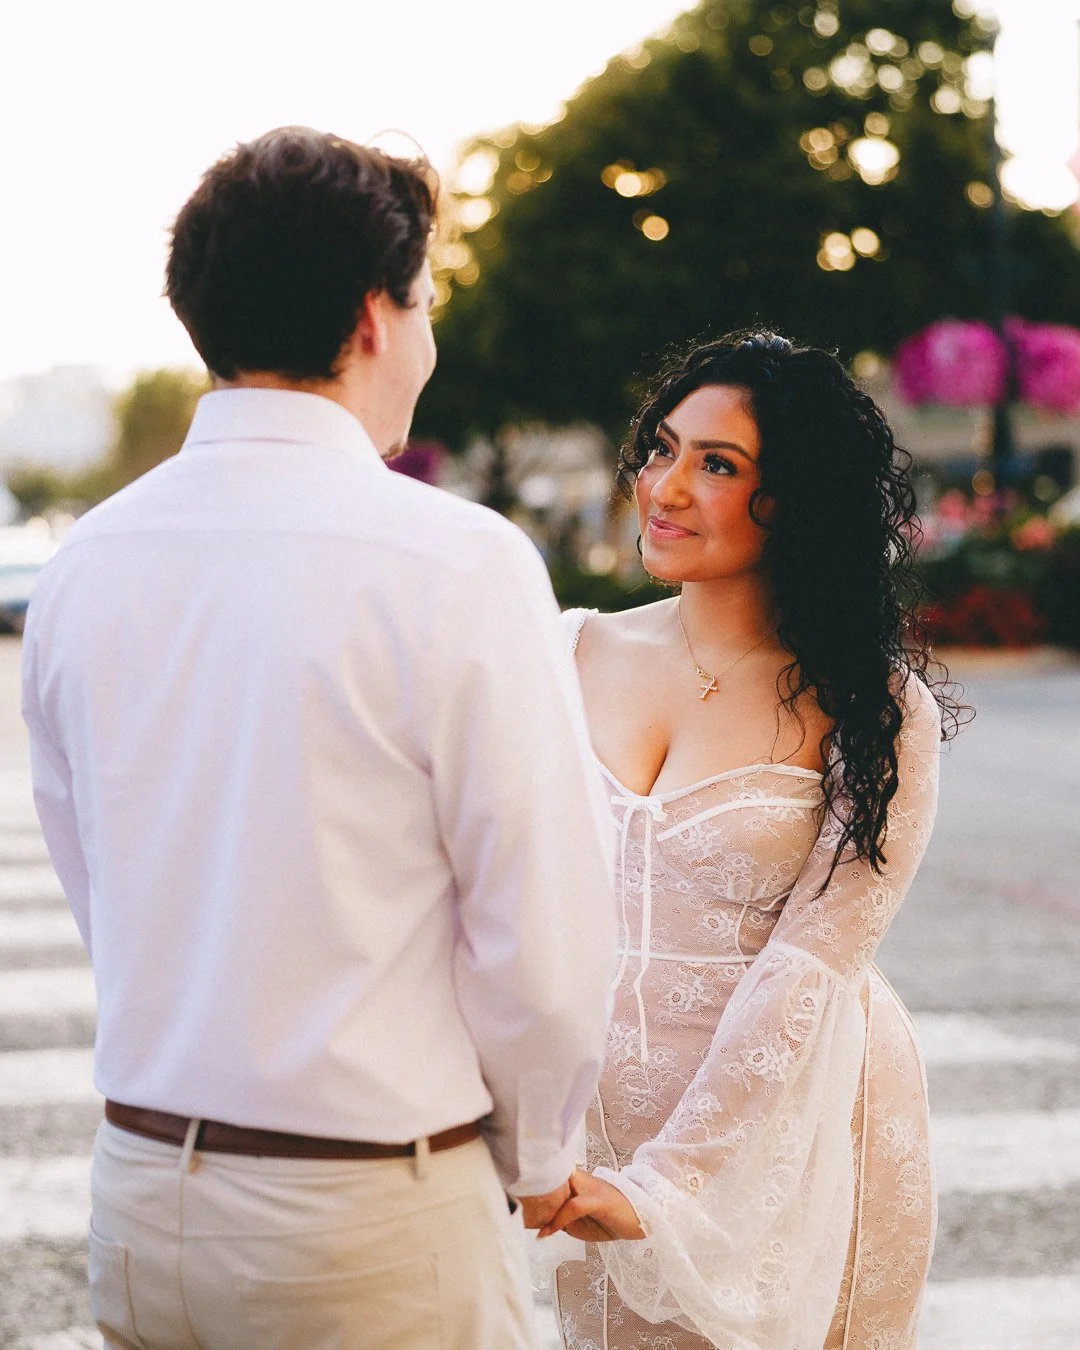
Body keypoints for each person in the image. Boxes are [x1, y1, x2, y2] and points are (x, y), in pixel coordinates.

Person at [21, 126, 616, 1350]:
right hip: (366, 1213)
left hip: (142, 1196)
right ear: (370, 321)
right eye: (427, 302)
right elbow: (543, 937)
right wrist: (540, 1150)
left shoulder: (86, 565)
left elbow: (103, 885)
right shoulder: (460, 561)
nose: (430, 340)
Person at [545, 331, 964, 1349]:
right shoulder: (561, 651)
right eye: (662, 448)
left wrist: (663, 1190)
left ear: (799, 501)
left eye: (718, 465)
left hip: (800, 1129)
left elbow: (809, 967)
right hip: (590, 1132)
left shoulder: (875, 708)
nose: (667, 486)